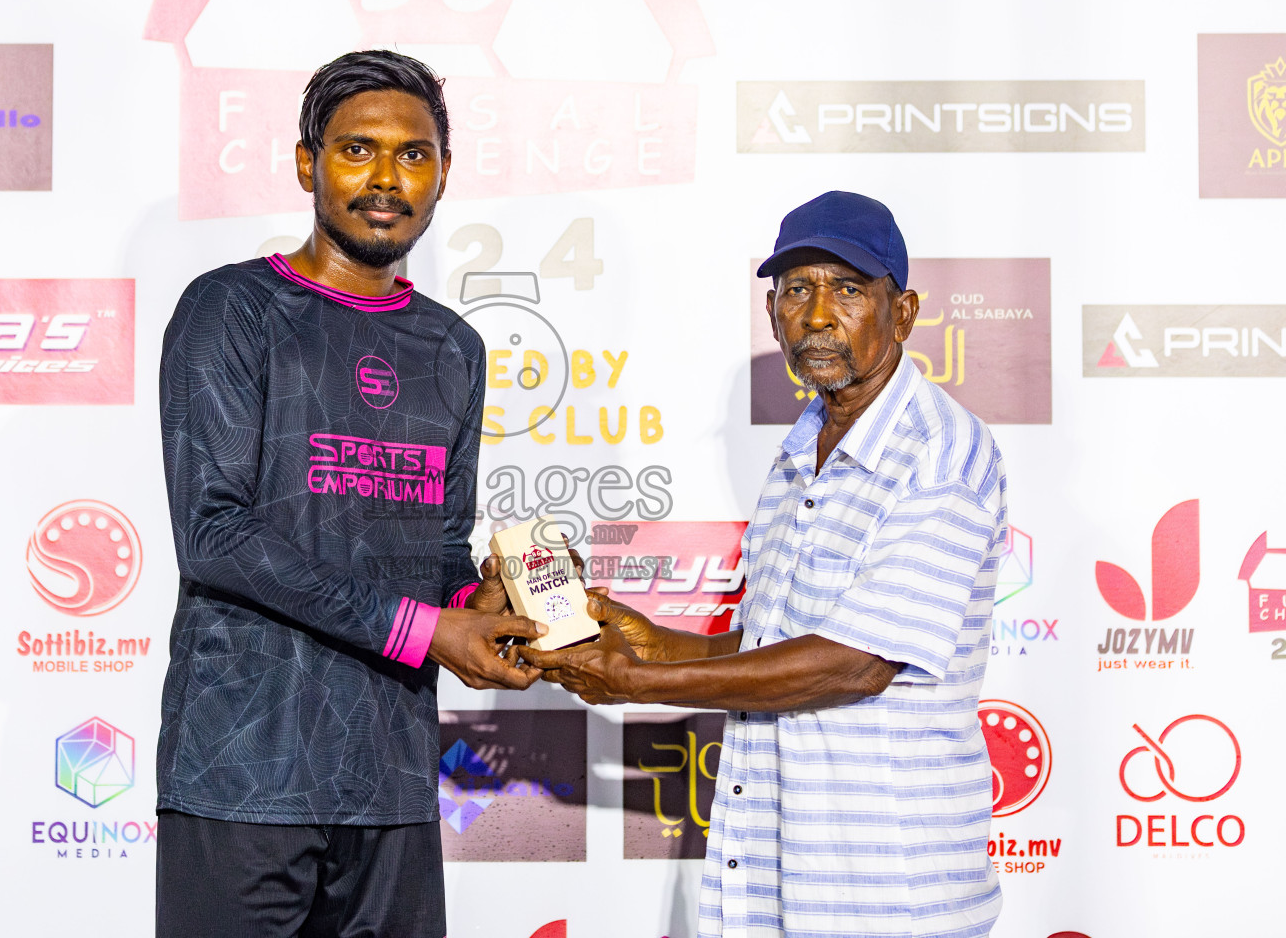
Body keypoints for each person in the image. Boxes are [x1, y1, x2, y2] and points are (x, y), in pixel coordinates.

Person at [523, 191, 1006, 938]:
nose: (817, 314)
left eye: (847, 289)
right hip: (778, 875)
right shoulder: (799, 449)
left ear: (903, 313)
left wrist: (639, 681)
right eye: (795, 290)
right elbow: (768, 648)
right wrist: (647, 640)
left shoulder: (941, 452)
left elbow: (854, 664)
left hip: (887, 894)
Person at [154, 50, 546, 938]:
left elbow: (441, 543)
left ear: (443, 174)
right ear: (307, 163)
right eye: (357, 149)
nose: (386, 178)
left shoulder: (453, 347)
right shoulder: (232, 311)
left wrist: (480, 602)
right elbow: (215, 533)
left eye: (413, 156)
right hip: (242, 773)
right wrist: (428, 629)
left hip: (391, 778)